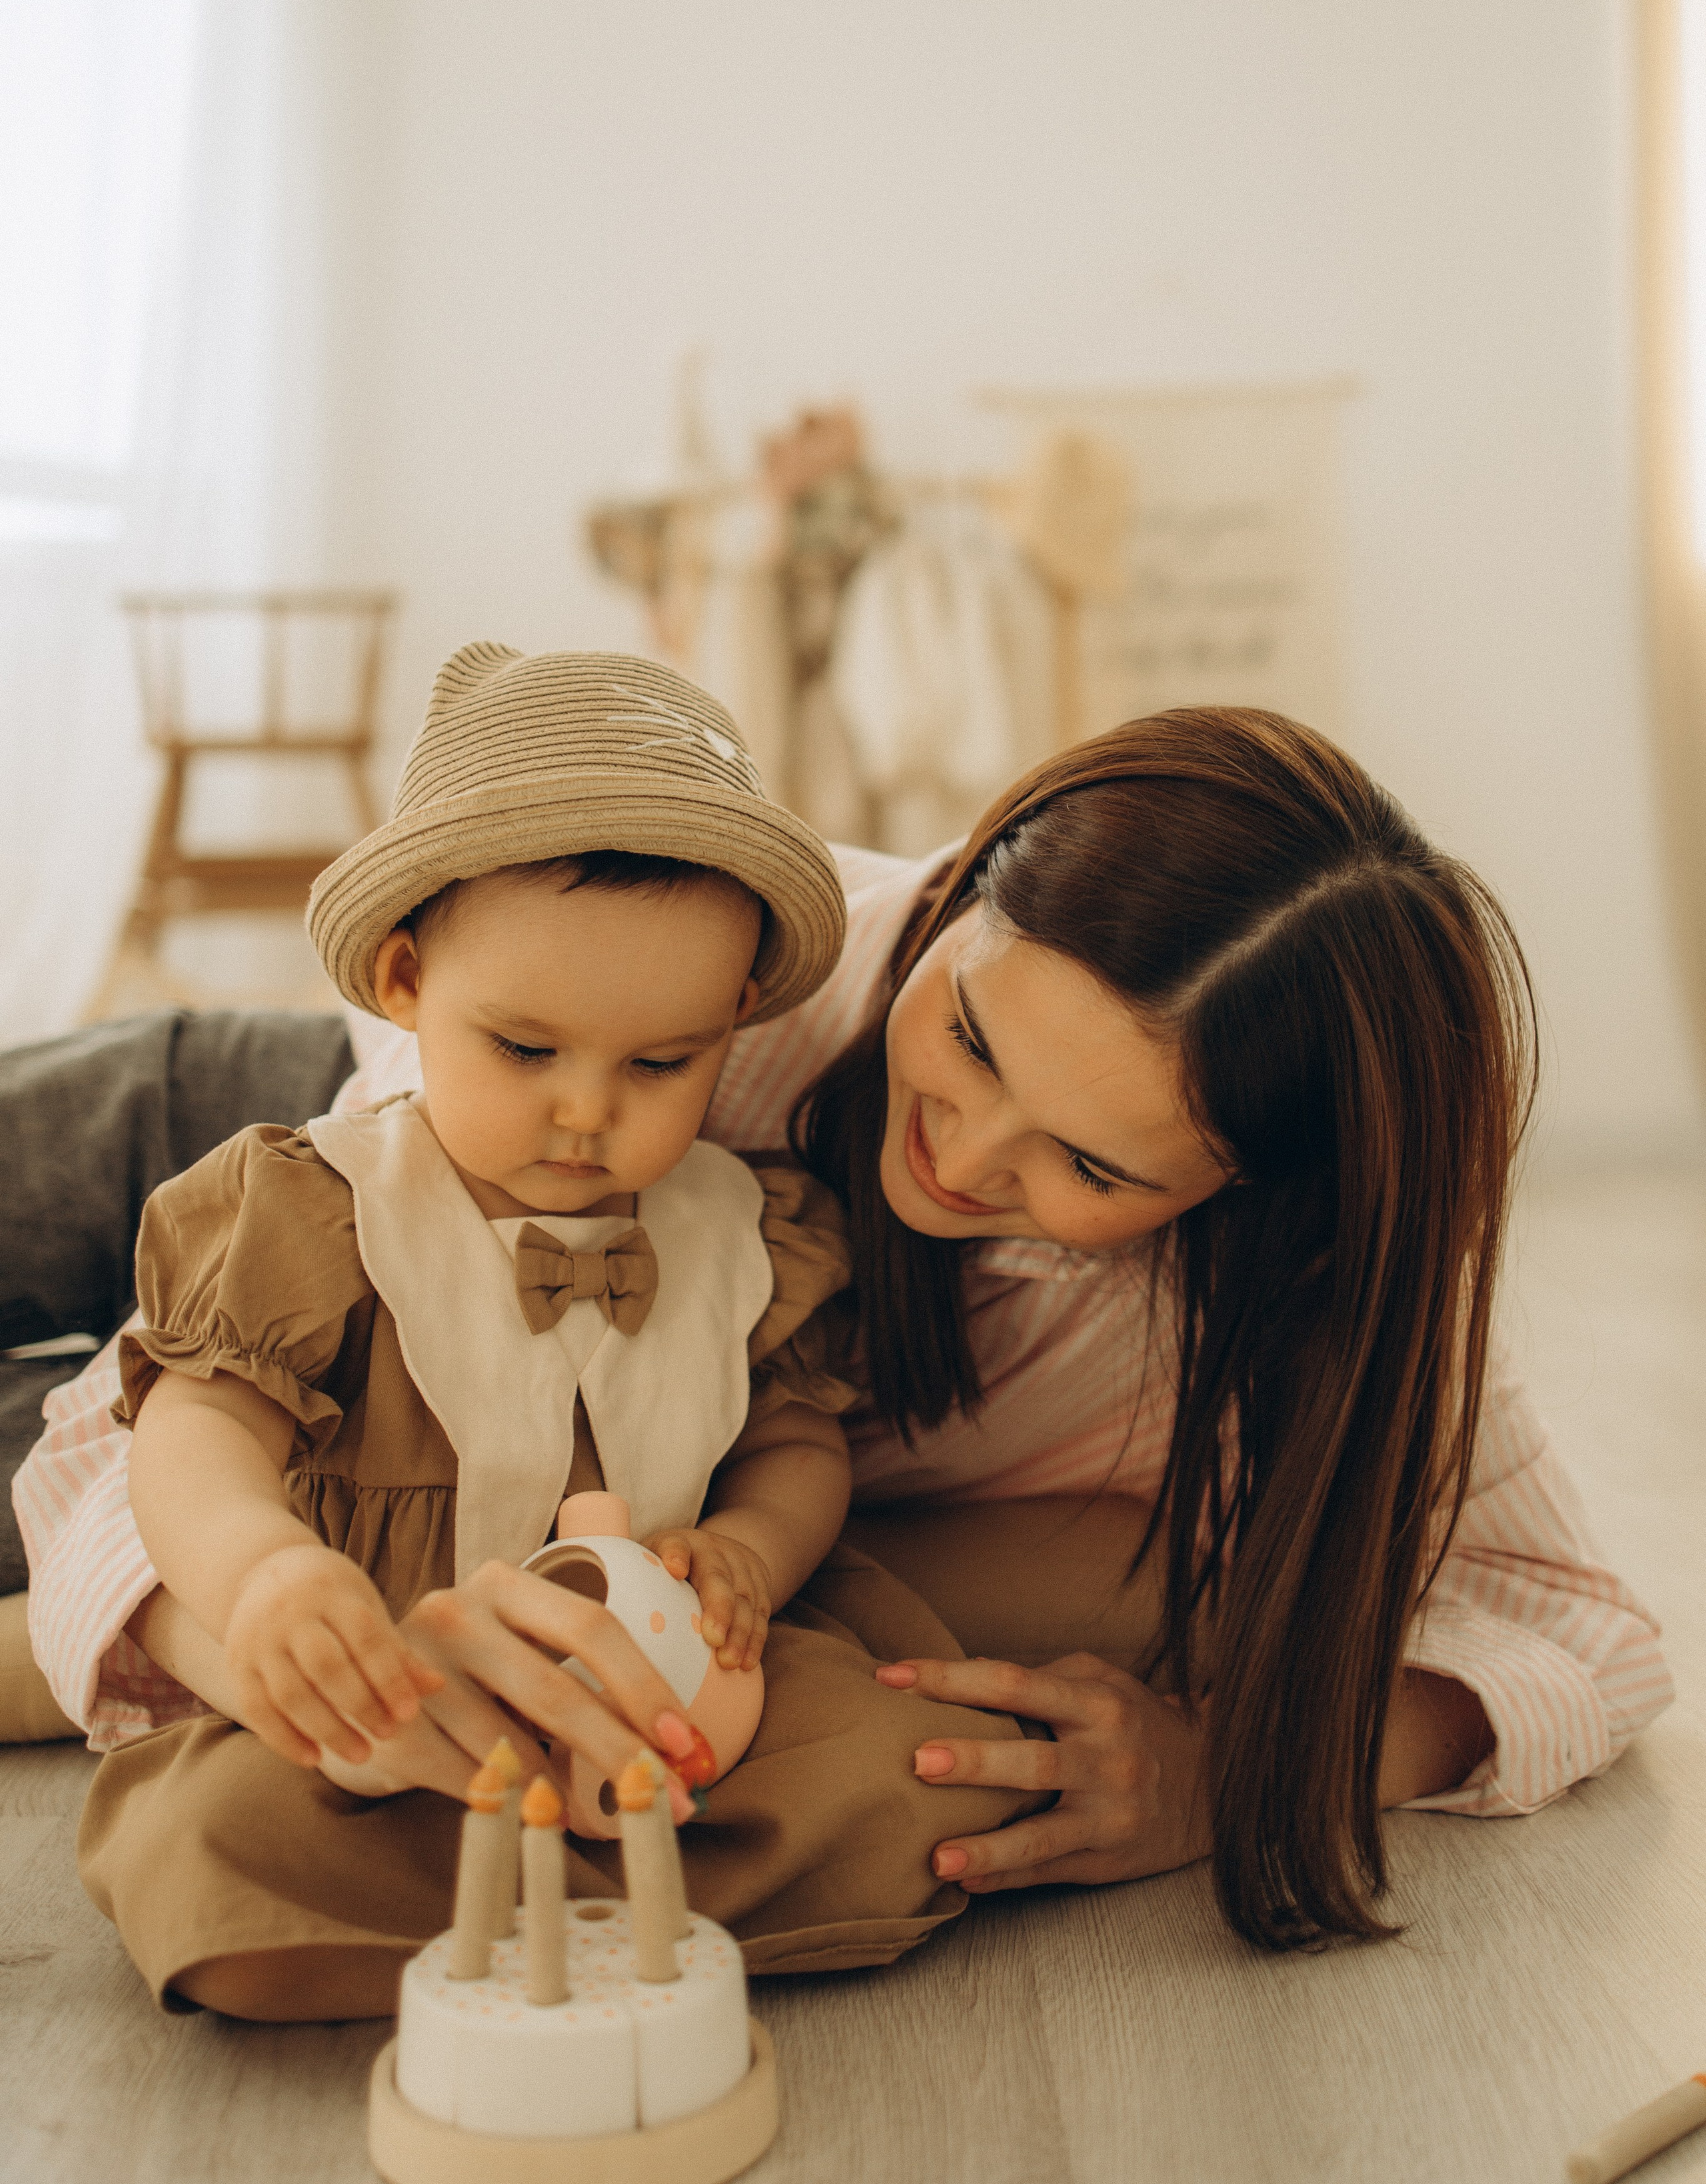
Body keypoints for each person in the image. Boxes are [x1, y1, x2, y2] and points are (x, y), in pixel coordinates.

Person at [15, 704, 1671, 1979]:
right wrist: (262, 1642)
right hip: (300, 1138)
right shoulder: (705, 1016)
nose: (959, 1150)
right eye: (964, 1031)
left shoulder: (1316, 1289)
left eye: (1087, 1167)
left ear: (1249, 1198)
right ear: (968, 878)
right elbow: (138, 1427)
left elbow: (1580, 1636)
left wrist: (1225, 1777)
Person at [27, 645, 1043, 2018]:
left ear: (735, 1020)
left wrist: (749, 1546)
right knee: (214, 1834)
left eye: (660, 1064)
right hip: (400, 1674)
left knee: (891, 1766)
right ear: (403, 981)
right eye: (524, 1049)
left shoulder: (751, 1234)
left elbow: (797, 1444)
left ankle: (538, 1901)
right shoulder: (314, 1209)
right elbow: (192, 1432)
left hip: (656, 1674)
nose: (587, 1110)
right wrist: (265, 1575)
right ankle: (511, 1888)